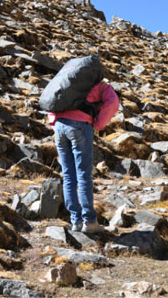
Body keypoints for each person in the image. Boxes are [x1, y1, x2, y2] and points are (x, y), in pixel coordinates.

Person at [48, 78, 119, 234]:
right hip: (80, 127)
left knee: (68, 176)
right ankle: (89, 222)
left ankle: (75, 221)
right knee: (83, 176)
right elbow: (113, 103)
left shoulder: (65, 81)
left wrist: (54, 124)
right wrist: (98, 124)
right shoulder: (99, 85)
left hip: (60, 127)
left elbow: (49, 100)